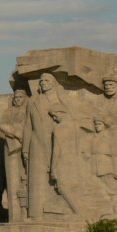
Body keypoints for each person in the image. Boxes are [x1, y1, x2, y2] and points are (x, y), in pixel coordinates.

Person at [22, 73, 66, 219]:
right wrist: (25, 148)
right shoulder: (33, 100)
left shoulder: (60, 100)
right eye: (41, 81)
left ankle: (58, 212)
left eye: (46, 80)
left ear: (53, 83)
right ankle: (35, 214)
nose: (43, 83)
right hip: (36, 143)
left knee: (58, 176)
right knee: (35, 178)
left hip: (55, 141)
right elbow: (28, 125)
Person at [0, 89, 28, 221]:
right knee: (12, 181)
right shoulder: (9, 111)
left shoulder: (28, 111)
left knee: (26, 181)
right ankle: (14, 218)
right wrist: (17, 133)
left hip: (27, 147)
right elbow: (2, 125)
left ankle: (26, 215)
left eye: (21, 97)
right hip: (12, 148)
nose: (18, 99)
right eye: (16, 97)